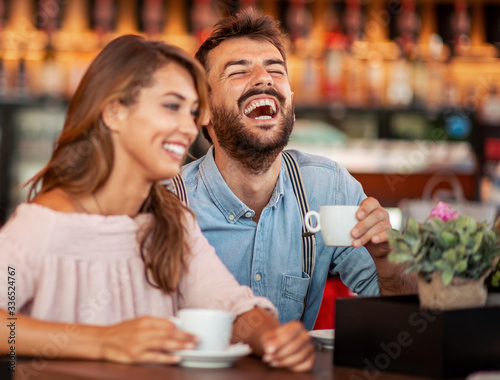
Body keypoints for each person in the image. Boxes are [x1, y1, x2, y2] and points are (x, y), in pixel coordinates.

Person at [0, 35, 315, 372]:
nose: (187, 127)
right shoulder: (44, 224)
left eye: (192, 111)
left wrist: (271, 337)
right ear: (114, 112)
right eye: (171, 106)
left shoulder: (171, 220)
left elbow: (228, 303)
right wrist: (103, 341)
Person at [179, 9, 416, 330]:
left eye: (275, 69)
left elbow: (404, 318)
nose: (264, 78)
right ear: (203, 110)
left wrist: (389, 260)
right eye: (238, 71)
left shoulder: (328, 187)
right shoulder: (171, 201)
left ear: (290, 99)